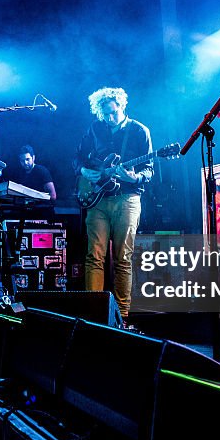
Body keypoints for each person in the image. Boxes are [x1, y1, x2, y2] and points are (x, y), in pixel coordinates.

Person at [75, 87, 152, 324]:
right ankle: (94, 314)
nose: (109, 118)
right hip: (97, 199)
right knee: (94, 256)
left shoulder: (139, 131)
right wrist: (83, 170)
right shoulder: (95, 129)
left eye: (112, 112)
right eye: (104, 114)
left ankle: (122, 317)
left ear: (122, 106)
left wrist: (133, 178)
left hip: (127, 199)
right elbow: (77, 158)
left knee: (123, 258)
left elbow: (149, 170)